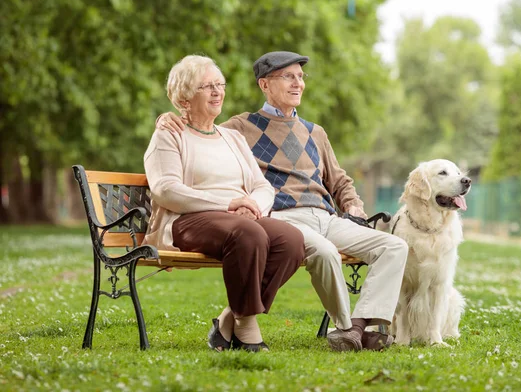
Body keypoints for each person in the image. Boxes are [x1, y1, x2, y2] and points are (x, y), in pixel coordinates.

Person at [159, 51, 408, 352]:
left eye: (301, 77)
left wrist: (352, 203)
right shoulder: (241, 127)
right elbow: (201, 129)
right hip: (283, 217)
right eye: (288, 76)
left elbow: (340, 180)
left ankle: (358, 326)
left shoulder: (316, 132)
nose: (298, 83)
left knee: (394, 246)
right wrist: (169, 116)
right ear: (264, 85)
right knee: (326, 253)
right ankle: (345, 329)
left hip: (326, 217)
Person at [145, 55, 305, 353]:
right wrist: (229, 204)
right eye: (207, 86)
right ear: (185, 95)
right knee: (249, 234)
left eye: (220, 85)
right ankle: (246, 326)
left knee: (291, 240)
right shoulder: (168, 134)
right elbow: (166, 190)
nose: (218, 91)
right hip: (190, 219)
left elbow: (261, 186)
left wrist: (251, 205)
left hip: (240, 218)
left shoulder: (232, 137)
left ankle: (229, 317)